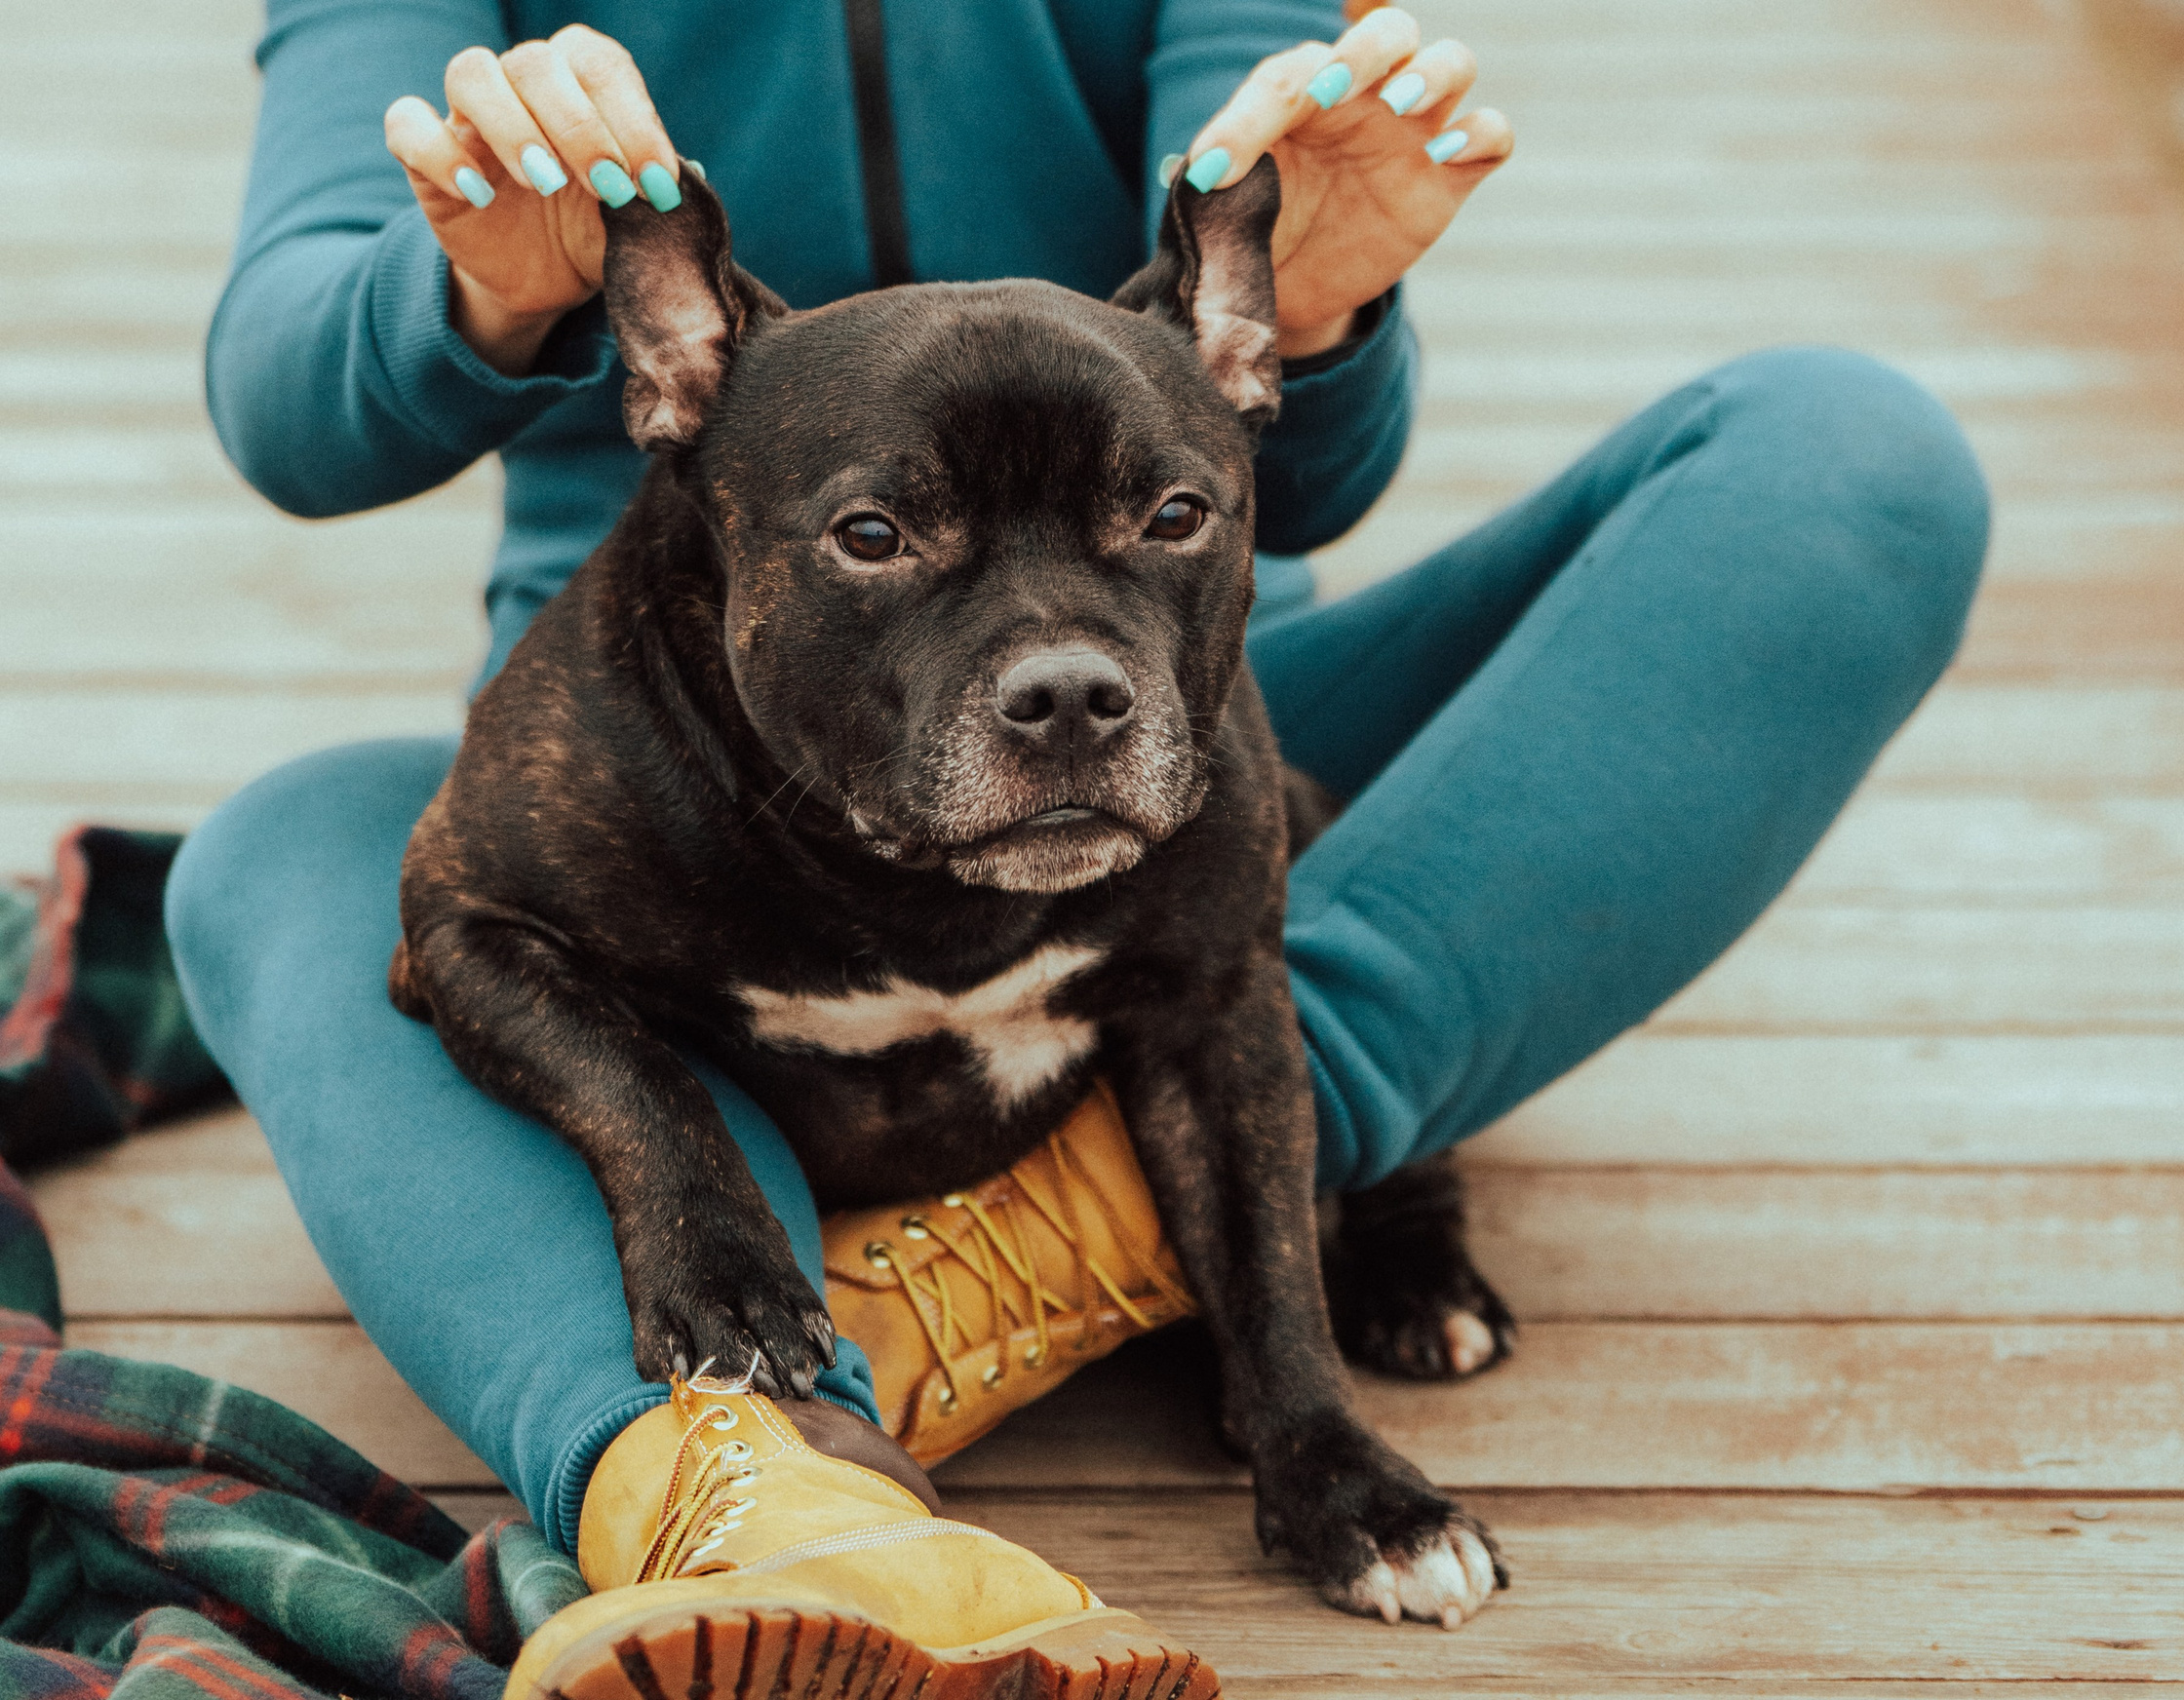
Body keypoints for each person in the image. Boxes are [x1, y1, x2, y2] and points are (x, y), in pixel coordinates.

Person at [168, 0, 1989, 1688]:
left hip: (1191, 751)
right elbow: (284, 400)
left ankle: (1122, 1225)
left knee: (1845, 461)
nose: (1037, 677)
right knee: (274, 858)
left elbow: (1275, 429)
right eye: (896, 535)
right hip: (700, 766)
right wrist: (465, 291)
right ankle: (756, 1487)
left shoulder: (1125, 634)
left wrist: (1326, 301)